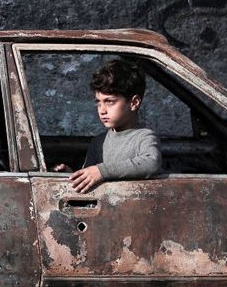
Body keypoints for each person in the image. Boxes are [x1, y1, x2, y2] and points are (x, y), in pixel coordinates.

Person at [54, 59, 161, 193]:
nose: (102, 110)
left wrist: (102, 171)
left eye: (109, 102)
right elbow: (90, 175)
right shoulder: (98, 142)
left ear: (134, 103)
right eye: (98, 102)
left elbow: (151, 163)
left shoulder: (143, 137)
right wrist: (74, 175)